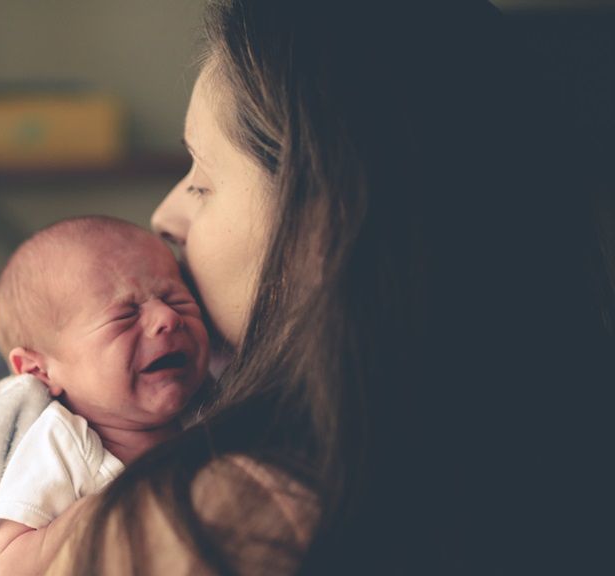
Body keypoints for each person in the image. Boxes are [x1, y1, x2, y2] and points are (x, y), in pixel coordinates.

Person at [38, 1, 615, 575]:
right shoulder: (559, 451)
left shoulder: (208, 527)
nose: (163, 218)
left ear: (323, 223)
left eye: (202, 182)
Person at [0, 216, 211, 576]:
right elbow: (9, 567)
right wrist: (107, 508)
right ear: (39, 371)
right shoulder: (62, 444)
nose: (166, 317)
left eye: (176, 298)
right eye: (125, 314)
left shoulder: (214, 410)